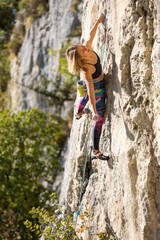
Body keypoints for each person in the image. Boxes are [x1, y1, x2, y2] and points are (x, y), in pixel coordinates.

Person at [66, 13, 109, 161]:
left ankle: (79, 112)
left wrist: (98, 20)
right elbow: (91, 91)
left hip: (90, 85)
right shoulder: (86, 70)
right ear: (81, 58)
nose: (85, 47)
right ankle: (96, 151)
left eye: (81, 46)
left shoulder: (87, 48)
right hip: (96, 88)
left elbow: (90, 35)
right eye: (82, 50)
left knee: (82, 96)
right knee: (99, 119)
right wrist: (94, 110)